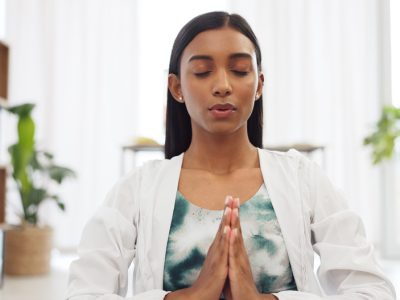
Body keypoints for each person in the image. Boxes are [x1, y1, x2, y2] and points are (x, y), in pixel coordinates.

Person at [66, 11, 396, 300]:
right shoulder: (137, 189)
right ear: (177, 87)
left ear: (258, 84)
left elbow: (374, 292)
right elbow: (84, 293)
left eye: (239, 70)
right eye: (202, 71)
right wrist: (187, 298)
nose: (222, 85)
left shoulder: (302, 179)